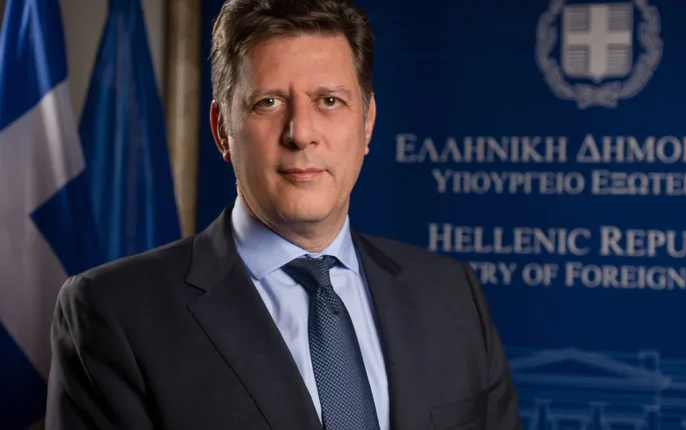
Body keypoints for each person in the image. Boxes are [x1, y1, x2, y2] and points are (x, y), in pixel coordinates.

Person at [45, 0, 521, 429]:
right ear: (222, 130)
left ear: (367, 123)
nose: (300, 132)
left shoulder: (453, 296)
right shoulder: (116, 313)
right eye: (268, 102)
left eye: (329, 101)